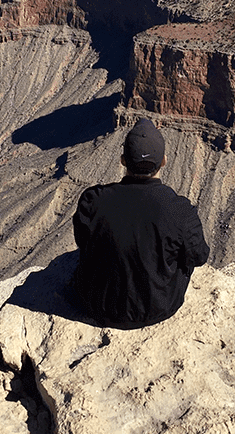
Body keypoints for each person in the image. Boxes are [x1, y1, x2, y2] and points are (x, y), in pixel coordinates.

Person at [72, 118, 209, 329]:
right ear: (163, 161)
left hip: (99, 307)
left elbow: (81, 241)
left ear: (123, 160)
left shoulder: (92, 201)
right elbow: (199, 256)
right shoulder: (180, 210)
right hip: (159, 309)